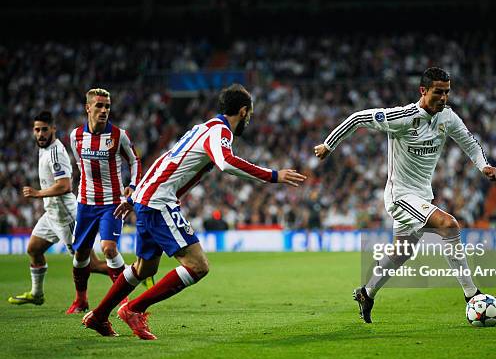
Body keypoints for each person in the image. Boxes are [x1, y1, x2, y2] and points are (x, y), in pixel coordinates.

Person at [83, 83, 307, 339]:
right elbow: (225, 162)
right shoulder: (220, 131)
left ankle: (99, 317)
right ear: (243, 111)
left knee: (144, 269)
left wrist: (136, 195)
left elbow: (166, 159)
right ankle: (133, 309)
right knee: (197, 265)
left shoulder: (204, 127)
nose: (249, 119)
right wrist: (273, 175)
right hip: (159, 202)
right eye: (250, 114)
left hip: (149, 198)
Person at [314, 67, 496, 323]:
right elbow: (358, 118)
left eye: (447, 92)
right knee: (449, 225)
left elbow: (469, 142)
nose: (443, 97)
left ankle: (366, 293)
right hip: (400, 197)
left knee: (401, 251)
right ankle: (473, 295)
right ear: (423, 91)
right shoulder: (403, 117)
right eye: (438, 92)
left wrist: (483, 165)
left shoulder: (447, 118)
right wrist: (329, 144)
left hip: (420, 197)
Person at [8, 111, 111, 306]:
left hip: (67, 217)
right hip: (51, 215)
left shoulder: (56, 152)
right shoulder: (43, 148)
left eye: (44, 130)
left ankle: (134, 273)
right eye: (37, 130)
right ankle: (37, 294)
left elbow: (65, 186)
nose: (40, 134)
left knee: (91, 265)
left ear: (53, 129)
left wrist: (37, 193)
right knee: (34, 249)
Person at [67, 88, 143, 314]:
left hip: (112, 203)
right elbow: (80, 165)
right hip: (86, 203)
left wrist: (133, 186)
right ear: (87, 108)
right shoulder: (76, 136)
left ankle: (124, 301)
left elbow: (135, 160)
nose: (104, 110)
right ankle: (81, 300)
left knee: (109, 249)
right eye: (99, 106)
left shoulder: (119, 135)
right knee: (80, 255)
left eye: (107, 106)